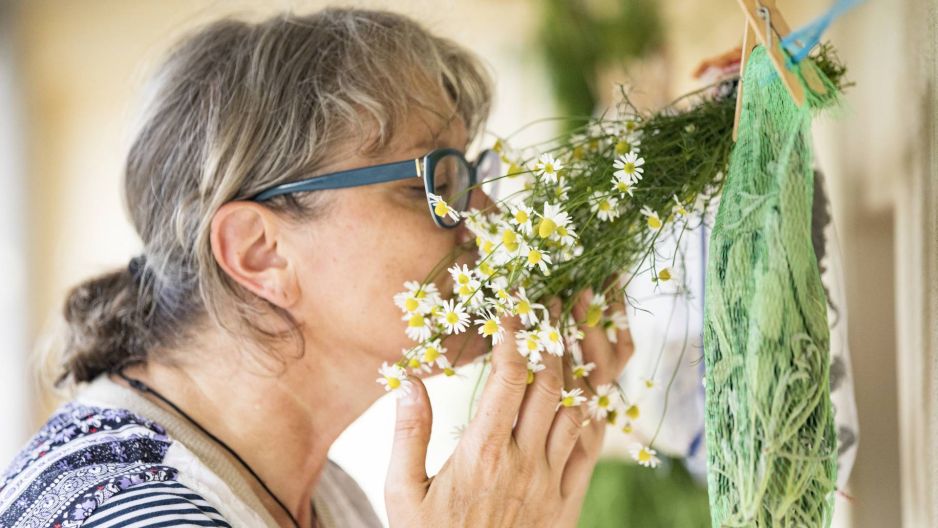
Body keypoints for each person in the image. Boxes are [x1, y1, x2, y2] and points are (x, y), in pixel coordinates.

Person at [0, 7, 633, 527]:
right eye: (434, 184)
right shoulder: (126, 513)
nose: (487, 218)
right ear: (260, 252)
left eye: (470, 175)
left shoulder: (326, 500)